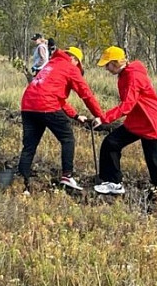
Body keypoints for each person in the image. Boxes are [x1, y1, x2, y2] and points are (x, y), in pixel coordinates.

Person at [92, 46, 157, 205]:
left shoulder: (133, 77)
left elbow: (126, 106)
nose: (106, 68)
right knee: (111, 143)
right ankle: (114, 183)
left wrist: (103, 118)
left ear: (116, 63)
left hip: (150, 123)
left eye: (108, 65)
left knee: (156, 164)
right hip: (136, 122)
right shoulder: (124, 75)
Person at [17, 46, 104, 192]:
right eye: (78, 64)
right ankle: (67, 176)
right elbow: (86, 94)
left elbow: (58, 98)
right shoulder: (70, 67)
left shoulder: (50, 64)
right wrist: (101, 116)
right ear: (74, 59)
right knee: (67, 138)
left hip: (28, 106)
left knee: (29, 146)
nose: (78, 67)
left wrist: (75, 116)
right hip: (46, 106)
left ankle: (22, 183)